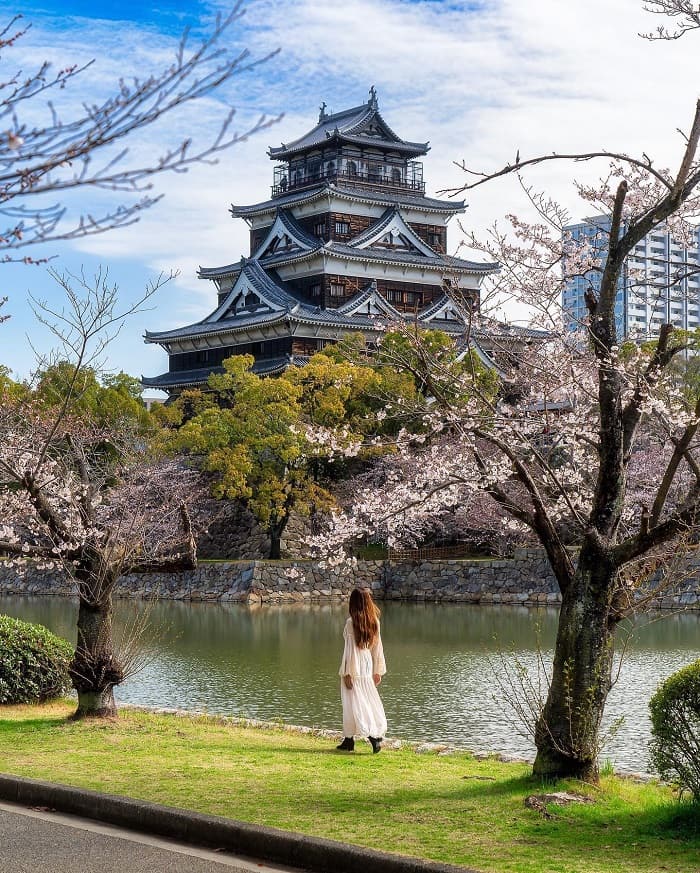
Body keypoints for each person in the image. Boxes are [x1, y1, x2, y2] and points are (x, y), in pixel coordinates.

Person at [336, 587, 387, 753]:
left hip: (354, 665)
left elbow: (349, 651)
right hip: (366, 663)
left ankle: (373, 737)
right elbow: (377, 648)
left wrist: (347, 672)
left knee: (353, 702)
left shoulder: (351, 622)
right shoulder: (374, 621)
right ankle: (348, 740)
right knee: (364, 699)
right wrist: (377, 670)